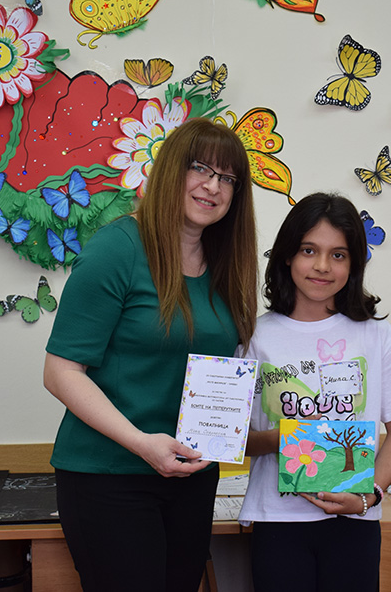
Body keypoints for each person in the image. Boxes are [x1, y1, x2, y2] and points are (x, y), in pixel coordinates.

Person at [43, 118, 258, 592]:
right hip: (110, 475)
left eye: (227, 178)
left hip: (191, 476)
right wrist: (142, 443)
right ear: (170, 170)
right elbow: (60, 372)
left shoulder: (225, 264)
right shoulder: (115, 249)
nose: (213, 186)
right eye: (200, 169)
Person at [238, 192, 391, 592]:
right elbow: (236, 440)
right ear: (287, 255)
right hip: (277, 520)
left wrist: (369, 497)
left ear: (354, 264)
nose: (322, 266)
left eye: (338, 255)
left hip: (354, 520)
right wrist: (281, 438)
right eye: (309, 250)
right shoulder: (255, 336)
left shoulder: (375, 334)